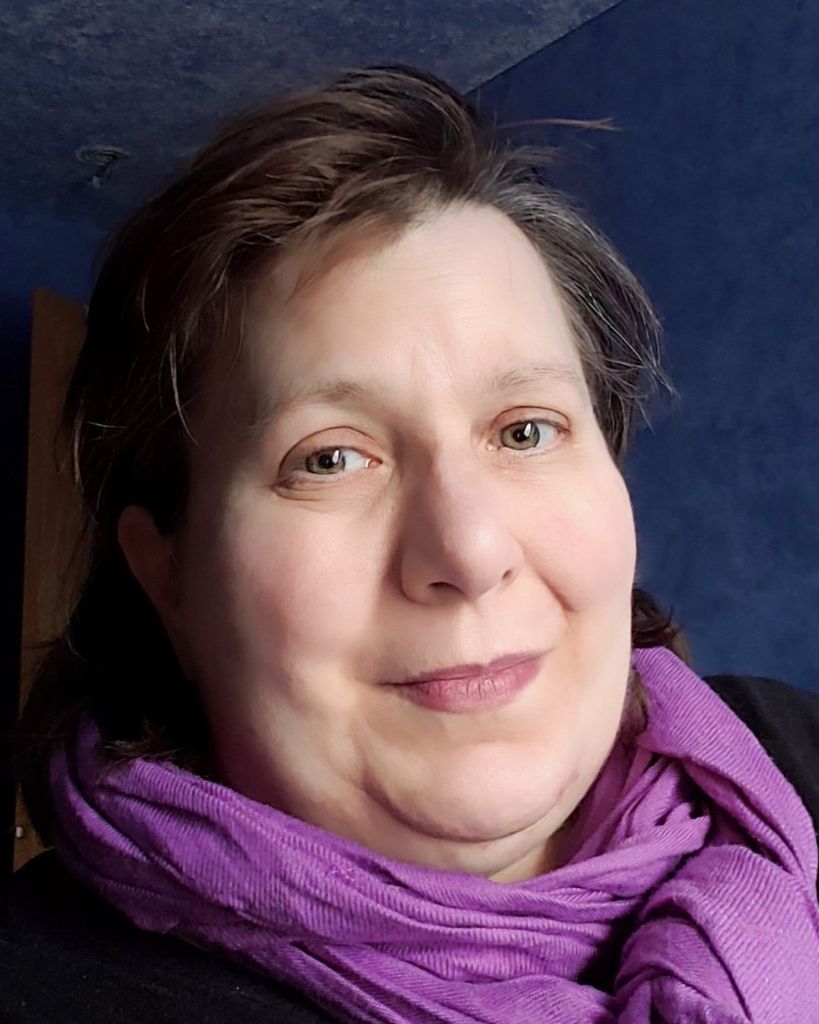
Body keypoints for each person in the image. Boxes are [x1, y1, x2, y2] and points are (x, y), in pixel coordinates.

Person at [3, 65, 819, 1024]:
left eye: (525, 430)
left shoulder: (792, 748)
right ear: (168, 577)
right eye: (331, 458)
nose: (468, 551)